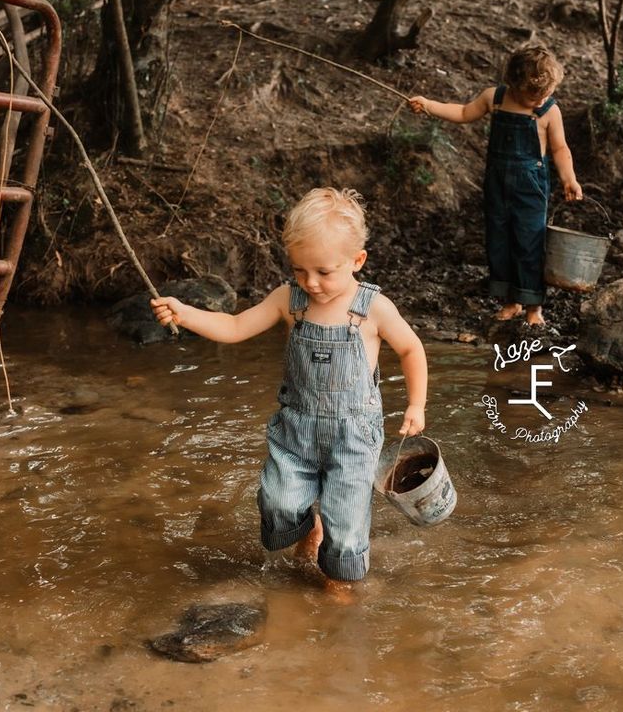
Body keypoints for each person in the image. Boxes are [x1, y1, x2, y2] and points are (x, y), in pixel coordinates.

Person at [151, 187, 427, 590]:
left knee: (347, 520)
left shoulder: (373, 309)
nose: (311, 283)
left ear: (357, 261)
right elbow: (234, 327)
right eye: (300, 270)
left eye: (324, 271)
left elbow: (411, 349)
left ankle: (339, 582)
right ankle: (308, 526)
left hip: (353, 436)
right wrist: (185, 312)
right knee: (278, 502)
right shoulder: (288, 300)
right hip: (296, 430)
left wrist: (416, 404)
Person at [409, 44, 582, 327]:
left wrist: (569, 178)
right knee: (499, 240)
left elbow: (560, 148)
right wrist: (429, 105)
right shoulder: (495, 98)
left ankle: (533, 306)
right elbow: (463, 112)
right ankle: (510, 301)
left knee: (530, 242)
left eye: (546, 94)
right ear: (513, 84)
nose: (540, 100)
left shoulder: (550, 111)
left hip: (531, 187)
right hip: (497, 184)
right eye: (533, 95)